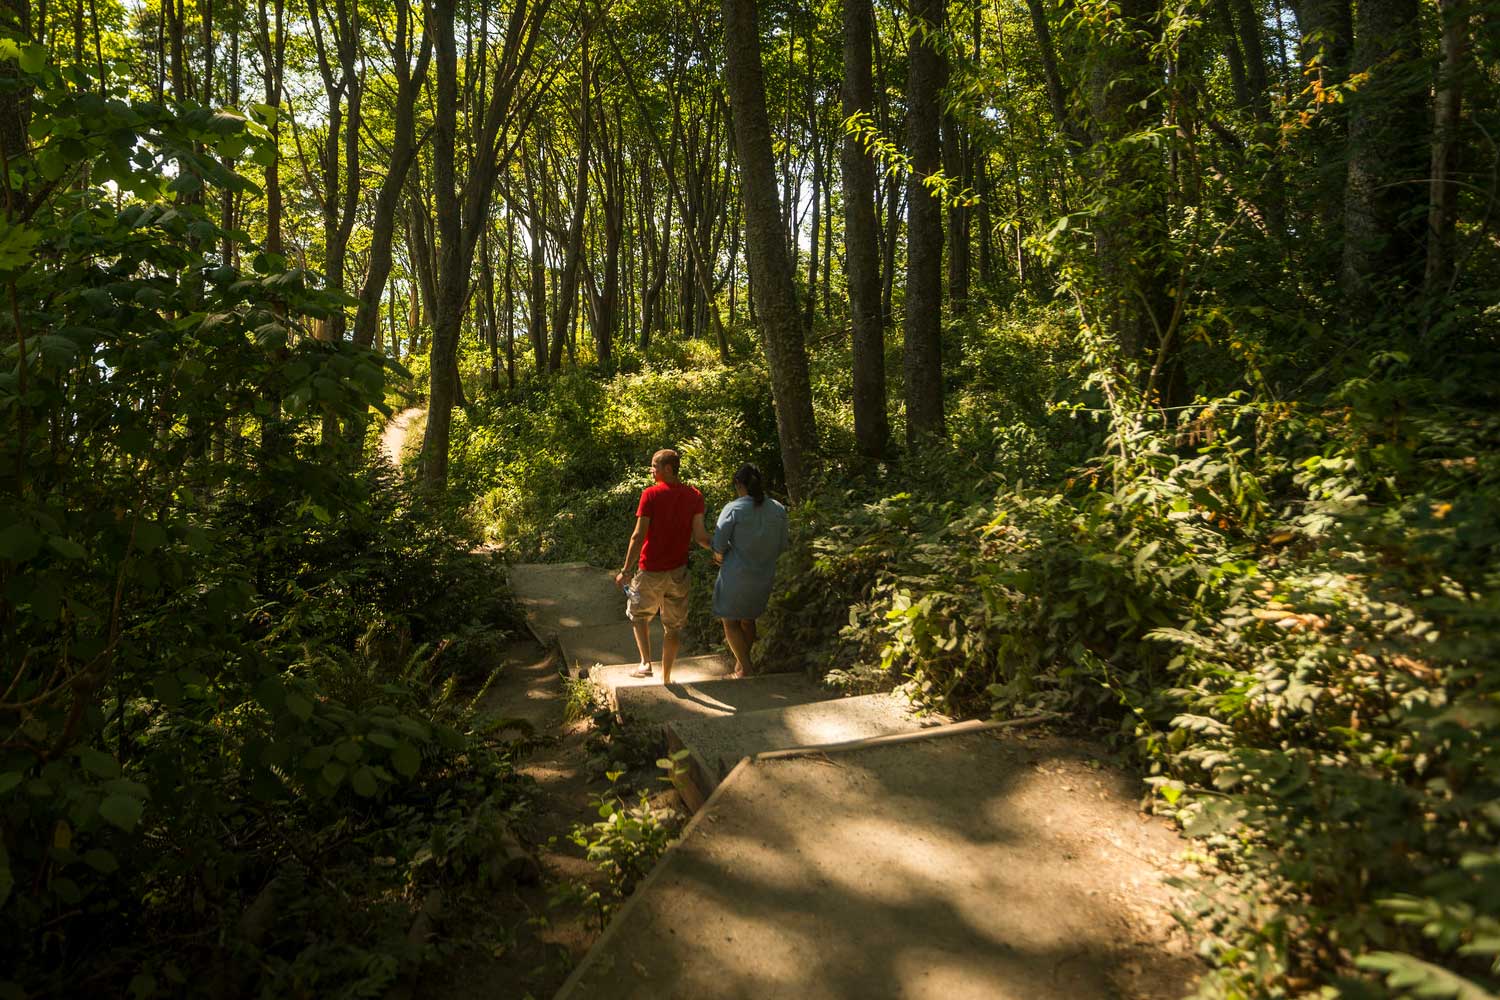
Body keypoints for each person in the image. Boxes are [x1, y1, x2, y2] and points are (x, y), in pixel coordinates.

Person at [615, 448, 712, 684]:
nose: (651, 470)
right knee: (673, 626)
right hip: (678, 572)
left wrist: (626, 571)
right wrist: (720, 551)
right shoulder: (695, 495)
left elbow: (638, 536)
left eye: (654, 467)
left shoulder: (650, 495)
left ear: (667, 469)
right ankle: (667, 678)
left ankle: (646, 664)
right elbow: (701, 537)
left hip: (650, 570)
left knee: (638, 614)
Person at [711, 464, 789, 678]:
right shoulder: (778, 508)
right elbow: (783, 544)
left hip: (735, 574)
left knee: (729, 620)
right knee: (748, 619)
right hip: (764, 574)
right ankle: (742, 666)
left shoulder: (734, 509)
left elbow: (718, 544)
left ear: (738, 484)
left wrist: (718, 557)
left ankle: (746, 668)